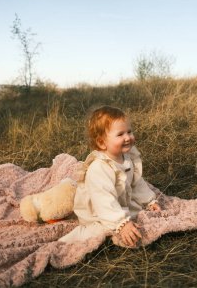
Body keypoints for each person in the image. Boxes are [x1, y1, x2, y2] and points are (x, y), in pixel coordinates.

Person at [59, 105, 161, 248]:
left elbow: (137, 182)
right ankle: (66, 242)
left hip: (118, 202)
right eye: (120, 134)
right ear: (102, 142)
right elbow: (103, 199)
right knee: (101, 230)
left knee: (138, 216)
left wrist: (149, 201)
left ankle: (122, 219)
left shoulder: (127, 158)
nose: (127, 138)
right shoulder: (99, 168)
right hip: (98, 211)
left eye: (129, 132)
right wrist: (121, 223)